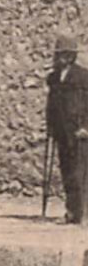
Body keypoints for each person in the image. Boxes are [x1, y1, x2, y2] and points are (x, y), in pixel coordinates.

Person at [46, 31, 88, 225]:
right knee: (67, 171)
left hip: (79, 131)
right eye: (59, 53)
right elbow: (51, 104)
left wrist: (86, 127)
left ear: (72, 55)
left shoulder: (83, 76)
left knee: (80, 173)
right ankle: (71, 212)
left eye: (65, 54)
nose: (61, 57)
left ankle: (81, 213)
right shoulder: (54, 78)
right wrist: (50, 127)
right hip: (62, 132)